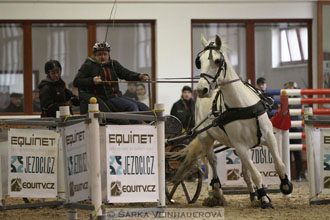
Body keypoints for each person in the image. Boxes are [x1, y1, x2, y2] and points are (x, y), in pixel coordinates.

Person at [73, 41, 149, 123]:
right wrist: (92, 81)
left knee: (143, 107)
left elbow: (126, 74)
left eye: (105, 54)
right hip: (105, 100)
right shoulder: (88, 65)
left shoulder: (114, 64)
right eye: (99, 54)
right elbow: (77, 81)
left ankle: (156, 129)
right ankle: (137, 132)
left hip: (118, 97)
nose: (102, 57)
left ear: (108, 54)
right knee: (131, 106)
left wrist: (139, 76)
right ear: (95, 55)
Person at [284, 81, 303, 181]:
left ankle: (299, 174)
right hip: (288, 128)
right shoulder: (286, 99)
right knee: (287, 153)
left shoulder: (298, 98)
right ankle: (289, 175)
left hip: (296, 127)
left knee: (297, 153)